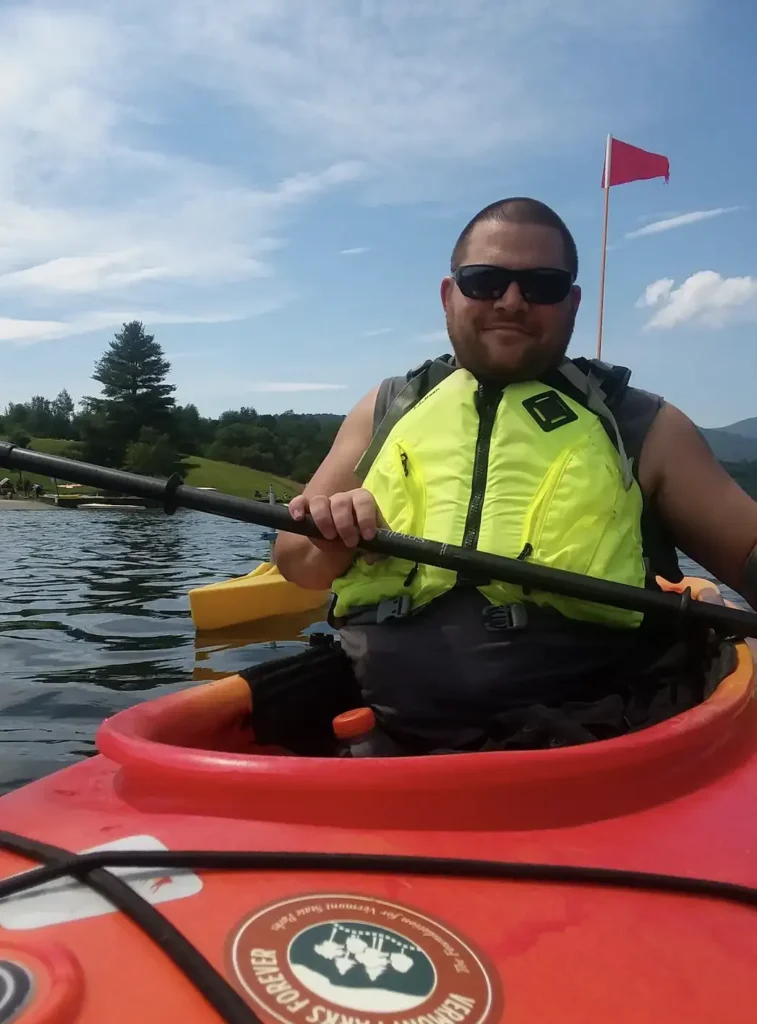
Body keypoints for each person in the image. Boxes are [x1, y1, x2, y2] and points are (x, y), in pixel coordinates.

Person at [274, 197, 757, 754]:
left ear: (573, 302)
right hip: (388, 738)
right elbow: (298, 563)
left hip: (597, 751)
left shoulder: (643, 425)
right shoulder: (387, 408)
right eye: (485, 281)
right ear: (448, 294)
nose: (511, 301)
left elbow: (747, 550)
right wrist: (328, 534)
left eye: (542, 286)